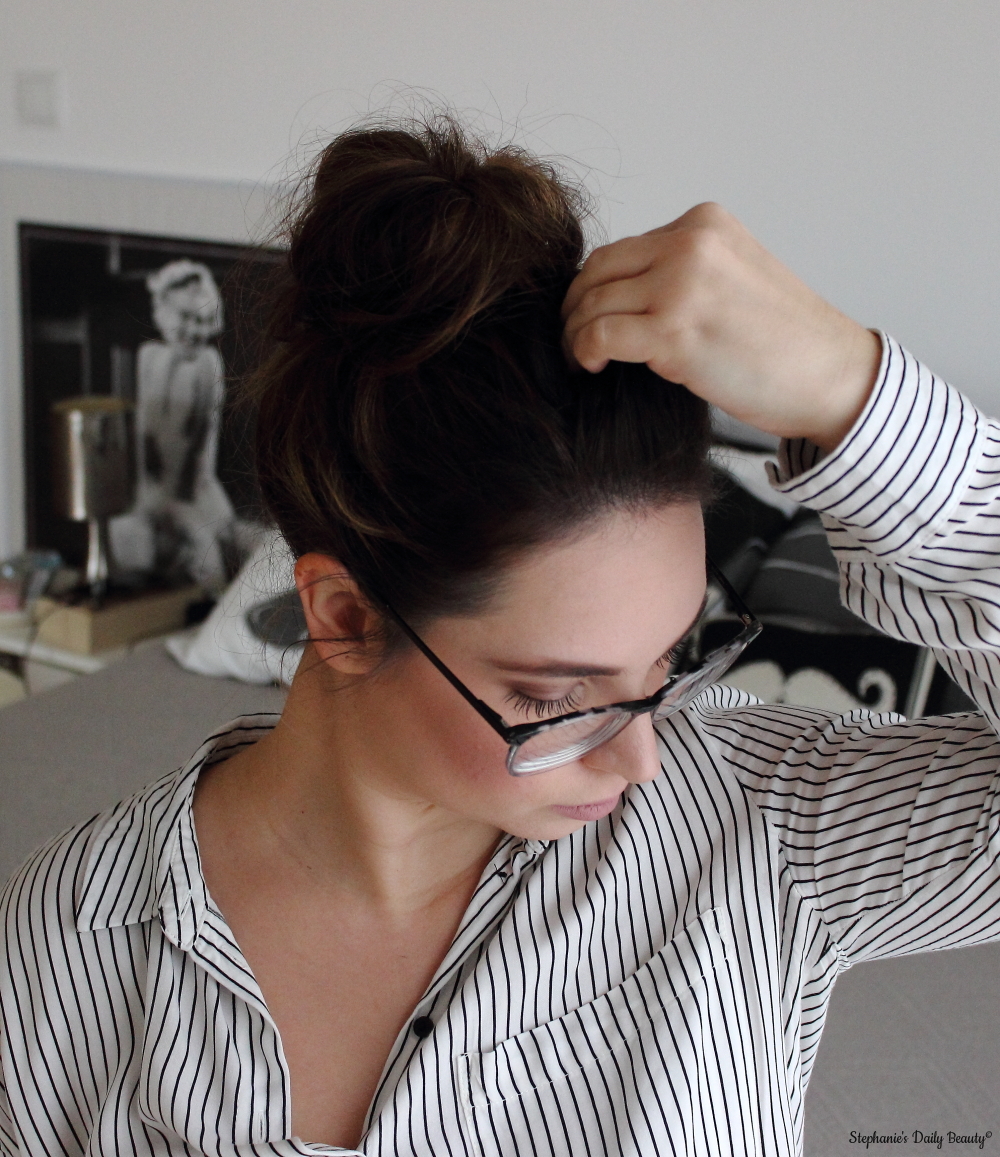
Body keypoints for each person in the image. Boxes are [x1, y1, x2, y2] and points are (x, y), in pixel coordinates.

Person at [2, 118, 998, 1157]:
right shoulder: (66, 942)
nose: (641, 756)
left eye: (669, 660)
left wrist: (856, 397)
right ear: (344, 617)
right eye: (555, 696)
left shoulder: (761, 827)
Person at [110, 260, 238, 591]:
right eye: (185, 318)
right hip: (154, 477)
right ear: (164, 314)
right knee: (130, 537)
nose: (193, 331)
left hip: (191, 480)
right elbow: (143, 422)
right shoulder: (149, 355)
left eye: (202, 321)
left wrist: (180, 494)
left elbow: (201, 432)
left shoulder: (207, 362)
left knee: (204, 552)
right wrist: (148, 469)